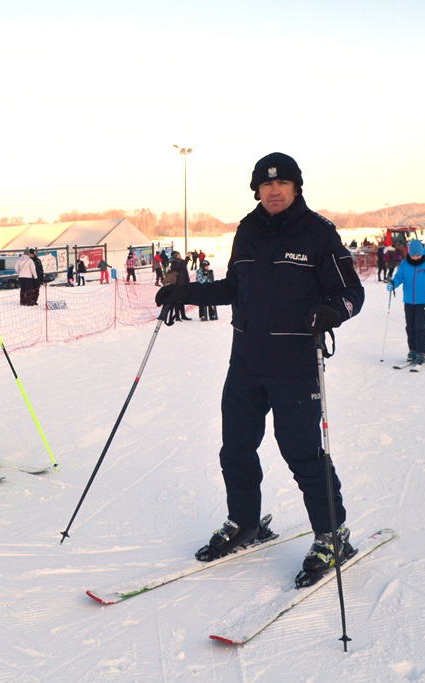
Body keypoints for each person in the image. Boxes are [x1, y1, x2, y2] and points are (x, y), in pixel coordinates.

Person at [155, 152, 364, 579]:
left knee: (302, 453)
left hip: (295, 365)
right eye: (266, 185)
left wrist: (332, 312)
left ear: (295, 188)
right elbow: (234, 286)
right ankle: (244, 522)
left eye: (282, 184)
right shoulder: (246, 231)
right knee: (235, 449)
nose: (274, 190)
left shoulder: (318, 233)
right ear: (256, 190)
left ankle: (332, 534)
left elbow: (351, 293)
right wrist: (186, 293)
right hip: (246, 361)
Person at [386, 239, 425, 364]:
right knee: (410, 327)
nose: (415, 257)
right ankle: (413, 351)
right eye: (413, 255)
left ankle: (422, 352)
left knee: (420, 327)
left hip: (423, 301)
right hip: (408, 300)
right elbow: (399, 277)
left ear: (422, 253)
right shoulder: (405, 264)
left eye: (418, 254)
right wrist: (393, 283)